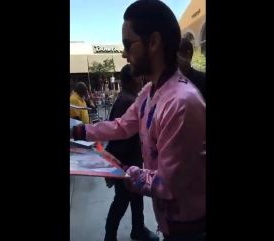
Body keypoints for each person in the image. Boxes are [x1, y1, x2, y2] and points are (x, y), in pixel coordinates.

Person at [71, 1, 206, 241]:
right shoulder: (149, 92)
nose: (123, 54)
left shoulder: (182, 103)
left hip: (190, 227)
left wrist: (121, 172)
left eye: (127, 44)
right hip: (170, 222)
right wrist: (79, 131)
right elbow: (122, 125)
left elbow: (166, 183)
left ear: (153, 42)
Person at [104, 64, 158, 241]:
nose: (141, 80)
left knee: (135, 197)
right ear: (133, 79)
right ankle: (110, 235)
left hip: (131, 158)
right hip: (126, 161)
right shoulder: (128, 101)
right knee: (122, 199)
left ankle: (138, 229)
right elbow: (119, 135)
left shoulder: (127, 98)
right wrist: (118, 166)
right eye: (138, 77)